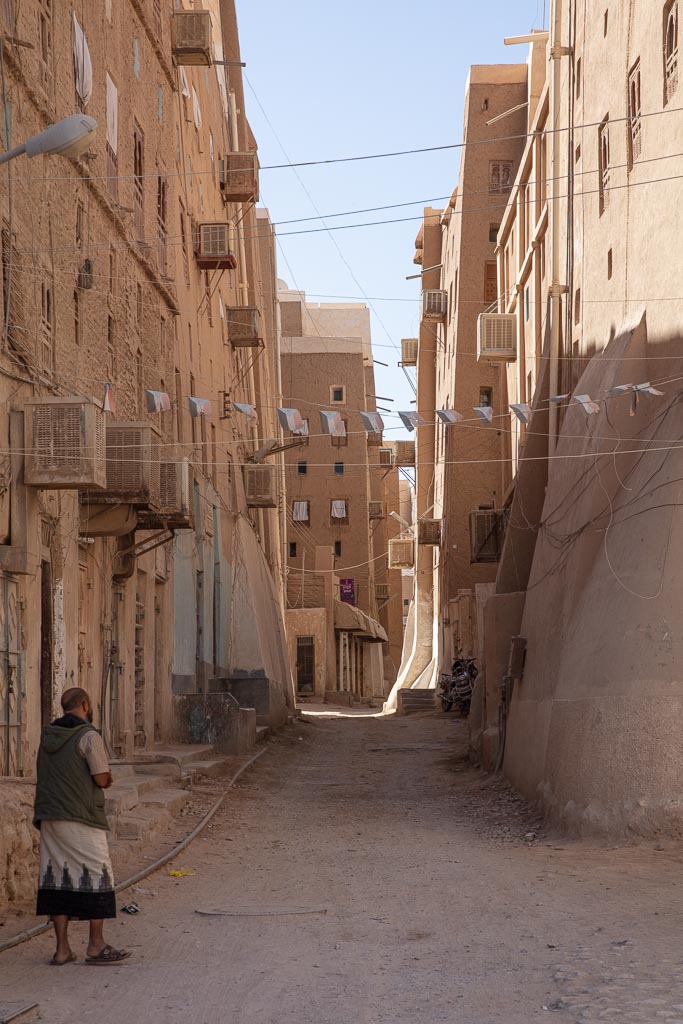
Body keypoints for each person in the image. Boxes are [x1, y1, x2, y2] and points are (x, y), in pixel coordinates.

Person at [33, 687, 130, 965]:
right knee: (99, 874)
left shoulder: (48, 735)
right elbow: (101, 778)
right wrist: (109, 778)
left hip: (50, 817)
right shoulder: (89, 736)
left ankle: (62, 950)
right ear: (85, 705)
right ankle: (96, 946)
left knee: (56, 877)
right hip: (81, 817)